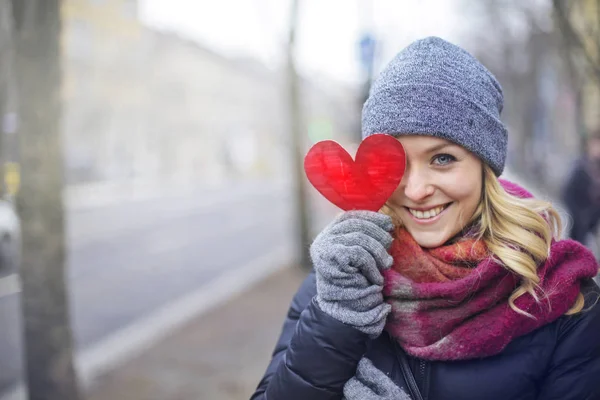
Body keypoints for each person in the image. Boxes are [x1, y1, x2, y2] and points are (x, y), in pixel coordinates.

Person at [250, 37, 600, 400]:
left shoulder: (563, 300)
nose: (415, 190)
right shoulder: (339, 280)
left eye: (442, 158)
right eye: (396, 163)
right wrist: (337, 321)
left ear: (485, 167)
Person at [562, 133, 600, 246]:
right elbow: (567, 193)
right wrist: (579, 216)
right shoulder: (581, 167)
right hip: (579, 225)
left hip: (594, 225)